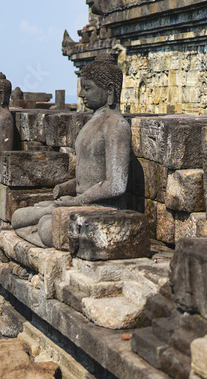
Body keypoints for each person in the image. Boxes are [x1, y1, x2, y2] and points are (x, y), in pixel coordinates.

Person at [11, 53, 131, 247]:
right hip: (81, 202)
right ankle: (42, 232)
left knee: (45, 226)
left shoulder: (116, 127)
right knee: (19, 215)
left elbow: (116, 184)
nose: (82, 94)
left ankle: (41, 234)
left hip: (104, 209)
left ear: (109, 90)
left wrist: (79, 201)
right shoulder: (93, 123)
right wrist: (67, 188)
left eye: (87, 88)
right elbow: (92, 172)